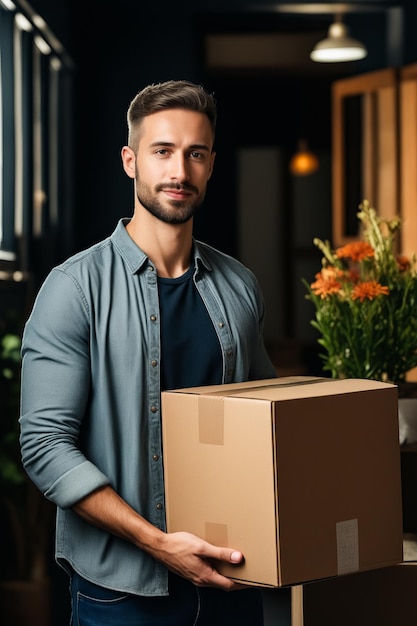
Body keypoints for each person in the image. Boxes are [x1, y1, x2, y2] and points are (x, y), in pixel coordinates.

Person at [19, 79, 277, 625]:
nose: (179, 172)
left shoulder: (241, 287)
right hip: (121, 592)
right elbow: (45, 447)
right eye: (162, 152)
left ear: (210, 165)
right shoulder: (75, 288)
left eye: (195, 154)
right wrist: (158, 543)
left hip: (234, 578)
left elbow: (264, 423)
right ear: (130, 160)